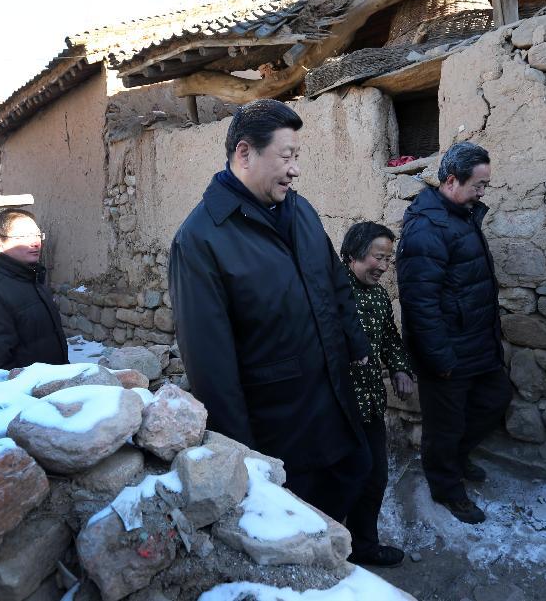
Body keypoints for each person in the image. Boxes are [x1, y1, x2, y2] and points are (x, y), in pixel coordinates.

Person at [168, 99, 372, 523]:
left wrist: (355, 343)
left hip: (333, 399)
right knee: (303, 524)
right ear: (245, 153)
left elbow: (334, 282)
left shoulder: (299, 211)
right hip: (282, 428)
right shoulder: (201, 239)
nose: (295, 169)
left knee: (352, 488)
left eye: (297, 156)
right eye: (286, 156)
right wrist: (241, 452)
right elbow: (210, 365)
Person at [396, 142, 512, 524]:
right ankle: (447, 488)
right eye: (479, 184)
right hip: (447, 350)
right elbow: (420, 303)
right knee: (444, 427)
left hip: (476, 342)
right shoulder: (426, 228)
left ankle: (458, 458)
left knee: (494, 400)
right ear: (451, 181)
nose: (483, 192)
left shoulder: (461, 214)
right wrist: (439, 358)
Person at [340, 221, 414, 567]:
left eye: (388, 259)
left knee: (374, 477)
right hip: (336, 410)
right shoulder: (333, 293)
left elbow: (390, 340)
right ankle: (325, 546)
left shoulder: (379, 295)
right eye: (377, 257)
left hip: (370, 406)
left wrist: (399, 367)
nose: (383, 267)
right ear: (353, 254)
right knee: (342, 480)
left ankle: (363, 547)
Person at [0, 207, 68, 370]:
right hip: (28, 394)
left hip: (51, 388)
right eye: (23, 236)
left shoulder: (30, 280)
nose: (36, 242)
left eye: (37, 235)